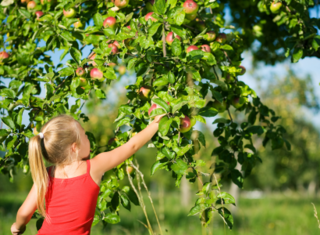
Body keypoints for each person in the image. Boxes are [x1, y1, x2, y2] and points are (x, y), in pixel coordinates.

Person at [10, 113, 165, 235]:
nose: (88, 138)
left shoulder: (46, 174)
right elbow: (132, 146)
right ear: (74, 147)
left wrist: (18, 227)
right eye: (84, 135)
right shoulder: (94, 167)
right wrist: (156, 123)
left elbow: (24, 213)